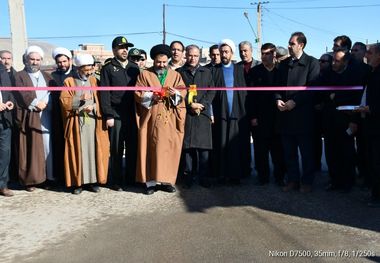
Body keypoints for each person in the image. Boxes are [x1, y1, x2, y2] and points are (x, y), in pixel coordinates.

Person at [135, 44, 186, 195]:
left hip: (168, 117)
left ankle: (166, 181)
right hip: (151, 117)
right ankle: (150, 182)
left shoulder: (175, 75)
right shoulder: (145, 75)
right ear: (154, 60)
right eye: (158, 62)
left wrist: (174, 93)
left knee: (167, 149)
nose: (162, 65)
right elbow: (138, 93)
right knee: (150, 148)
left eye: (164, 62)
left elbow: (182, 93)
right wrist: (152, 96)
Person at [275, 32, 319, 193]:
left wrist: (296, 101)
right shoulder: (284, 64)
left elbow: (312, 88)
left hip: (303, 116)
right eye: (289, 43)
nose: (288, 46)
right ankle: (293, 180)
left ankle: (307, 181)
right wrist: (278, 99)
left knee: (307, 153)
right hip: (285, 116)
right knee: (289, 153)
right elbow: (277, 86)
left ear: (301, 45)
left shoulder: (312, 63)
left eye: (292, 43)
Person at [60, 54, 109, 194]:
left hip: (94, 121)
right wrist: (80, 99)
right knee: (78, 151)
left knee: (94, 150)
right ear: (78, 68)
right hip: (77, 122)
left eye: (90, 69)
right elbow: (64, 102)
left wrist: (94, 107)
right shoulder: (69, 82)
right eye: (86, 70)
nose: (89, 72)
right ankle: (78, 183)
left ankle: (93, 181)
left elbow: (102, 99)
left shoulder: (95, 81)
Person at [321, 49, 368, 192]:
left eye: (337, 61)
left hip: (346, 121)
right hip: (329, 121)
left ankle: (348, 182)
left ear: (346, 62)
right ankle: (334, 180)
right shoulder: (327, 75)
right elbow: (322, 94)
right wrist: (331, 97)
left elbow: (356, 100)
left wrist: (353, 121)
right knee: (331, 153)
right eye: (333, 60)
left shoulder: (354, 76)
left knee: (346, 153)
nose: (334, 63)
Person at [13, 46, 59, 191]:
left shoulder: (47, 76)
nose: (34, 62)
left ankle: (48, 177)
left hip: (46, 114)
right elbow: (21, 93)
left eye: (37, 60)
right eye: (32, 59)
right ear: (26, 60)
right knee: (31, 147)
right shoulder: (19, 76)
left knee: (47, 147)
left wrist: (47, 103)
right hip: (30, 116)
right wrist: (34, 103)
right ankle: (31, 180)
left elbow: (53, 93)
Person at [99, 36, 140, 191]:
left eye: (126, 47)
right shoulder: (108, 68)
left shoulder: (134, 67)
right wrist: (108, 114)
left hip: (132, 113)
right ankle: (116, 180)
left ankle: (131, 178)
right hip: (116, 114)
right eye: (122, 47)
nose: (125, 50)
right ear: (114, 50)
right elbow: (104, 93)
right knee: (116, 148)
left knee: (132, 147)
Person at [211, 39, 251, 184]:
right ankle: (222, 174)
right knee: (221, 144)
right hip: (220, 113)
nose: (223, 54)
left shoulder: (240, 69)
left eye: (226, 51)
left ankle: (236, 175)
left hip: (237, 114)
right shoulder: (214, 70)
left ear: (232, 53)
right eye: (222, 52)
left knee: (236, 145)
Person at [246, 43, 286, 186]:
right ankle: (263, 176)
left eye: (268, 53)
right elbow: (250, 97)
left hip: (278, 118)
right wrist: (253, 117)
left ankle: (280, 177)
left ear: (274, 54)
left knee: (278, 151)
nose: (264, 56)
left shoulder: (282, 71)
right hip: (260, 118)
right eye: (262, 53)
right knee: (260, 150)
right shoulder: (255, 72)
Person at [177, 44, 216, 188]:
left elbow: (211, 91)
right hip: (187, 114)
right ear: (186, 55)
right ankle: (188, 177)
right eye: (190, 55)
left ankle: (204, 177)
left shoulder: (206, 72)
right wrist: (190, 105)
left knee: (204, 149)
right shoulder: (180, 72)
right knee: (188, 149)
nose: (192, 58)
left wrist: (202, 104)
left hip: (203, 114)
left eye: (195, 55)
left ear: (199, 56)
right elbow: (177, 93)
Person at [355, 43, 380, 207]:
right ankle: (374, 193)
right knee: (372, 161)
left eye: (370, 53)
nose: (367, 56)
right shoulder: (371, 73)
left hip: (378, 126)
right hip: (369, 125)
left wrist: (371, 108)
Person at [0, 63, 14, 196]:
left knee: (5, 153)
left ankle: (2, 185)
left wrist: (10, 102)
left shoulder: (2, 69)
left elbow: (8, 91)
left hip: (4, 118)